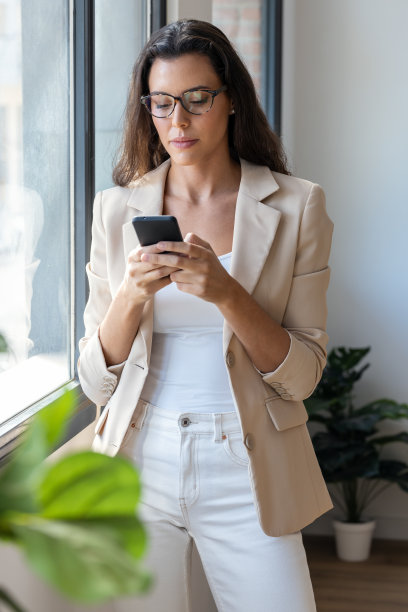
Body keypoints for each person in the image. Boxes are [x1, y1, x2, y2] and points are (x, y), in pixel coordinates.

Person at [78, 18, 333, 612]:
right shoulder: (115, 211)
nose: (178, 122)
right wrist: (132, 297)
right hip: (139, 459)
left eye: (197, 100)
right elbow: (94, 380)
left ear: (232, 101)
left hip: (247, 465)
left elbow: (303, 376)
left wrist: (226, 293)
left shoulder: (297, 206)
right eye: (162, 103)